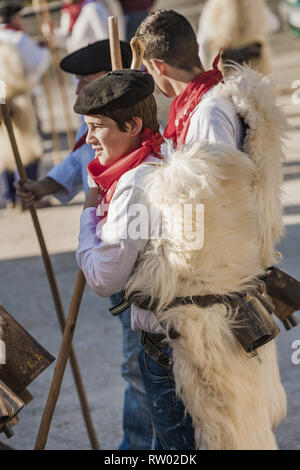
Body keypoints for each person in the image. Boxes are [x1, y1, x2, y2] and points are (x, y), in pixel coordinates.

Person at [127, 9, 286, 449]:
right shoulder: (201, 104)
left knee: (212, 434)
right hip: (208, 291)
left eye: (146, 69)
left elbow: (211, 203)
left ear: (157, 66)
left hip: (208, 297)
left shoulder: (210, 112)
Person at [15, 40, 154, 451]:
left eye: (86, 82)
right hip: (126, 263)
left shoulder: (131, 117)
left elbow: (106, 276)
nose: (77, 91)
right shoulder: (102, 118)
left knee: (141, 366)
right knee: (142, 367)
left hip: (146, 276)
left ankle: (136, 449)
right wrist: (45, 185)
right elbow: (82, 157)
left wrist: (90, 213)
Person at [0, 0, 50, 208]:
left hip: (1, 98)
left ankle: (11, 195)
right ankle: (27, 195)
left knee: (5, 145)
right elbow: (36, 67)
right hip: (19, 98)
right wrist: (44, 50)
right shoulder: (20, 40)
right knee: (28, 147)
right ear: (15, 17)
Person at [197, 0, 274, 75]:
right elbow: (273, 23)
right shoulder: (255, 3)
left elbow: (204, 40)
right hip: (255, 57)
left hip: (227, 61)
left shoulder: (214, 6)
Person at [43, 0, 111, 53]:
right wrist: (51, 31)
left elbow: (104, 38)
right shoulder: (67, 12)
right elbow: (65, 39)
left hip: (94, 59)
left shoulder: (92, 8)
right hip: (80, 60)